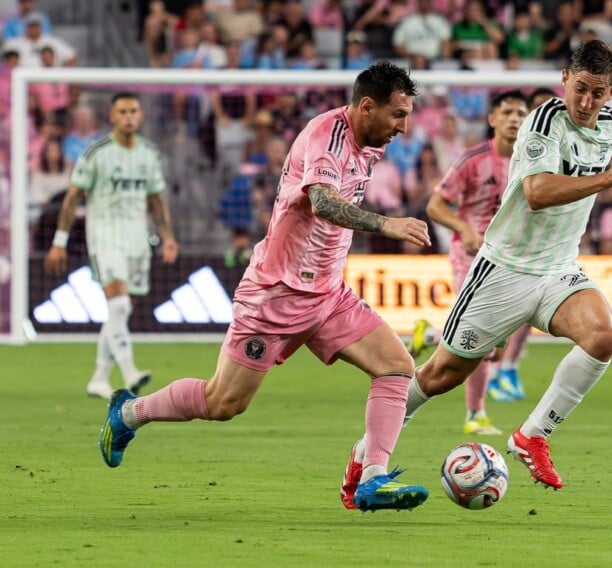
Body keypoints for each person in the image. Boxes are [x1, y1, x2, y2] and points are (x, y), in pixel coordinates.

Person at [97, 62, 432, 514]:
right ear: (367, 107)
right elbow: (322, 202)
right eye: (398, 115)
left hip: (329, 295)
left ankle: (371, 477)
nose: (403, 128)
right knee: (223, 402)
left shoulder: (368, 144)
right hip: (277, 294)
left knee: (396, 366)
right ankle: (128, 413)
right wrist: (385, 224)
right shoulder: (327, 137)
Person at [347, 40, 612, 496]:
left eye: (598, 93)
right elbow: (536, 193)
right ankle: (362, 458)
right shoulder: (543, 122)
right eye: (580, 88)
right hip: (504, 270)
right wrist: (609, 178)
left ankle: (532, 435)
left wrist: (606, 175)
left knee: (604, 336)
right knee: (439, 376)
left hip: (557, 267)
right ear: (565, 80)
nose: (587, 101)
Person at [407, 90, 530, 437]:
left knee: (495, 345)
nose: (514, 119)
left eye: (521, 113)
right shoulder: (472, 160)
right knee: (482, 341)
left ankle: (430, 334)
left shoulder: (531, 161)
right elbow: (435, 206)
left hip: (510, 259)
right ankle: (475, 414)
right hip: (471, 256)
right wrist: (463, 227)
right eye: (507, 112)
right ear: (492, 119)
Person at [44, 92, 178, 400]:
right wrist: (59, 241)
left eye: (133, 111)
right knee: (118, 306)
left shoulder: (148, 155)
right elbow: (73, 197)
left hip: (137, 240)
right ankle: (130, 372)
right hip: (104, 238)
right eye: (122, 111)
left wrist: (168, 237)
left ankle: (99, 378)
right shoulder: (97, 153)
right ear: (112, 117)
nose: (128, 116)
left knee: (121, 311)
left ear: (140, 116)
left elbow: (156, 200)